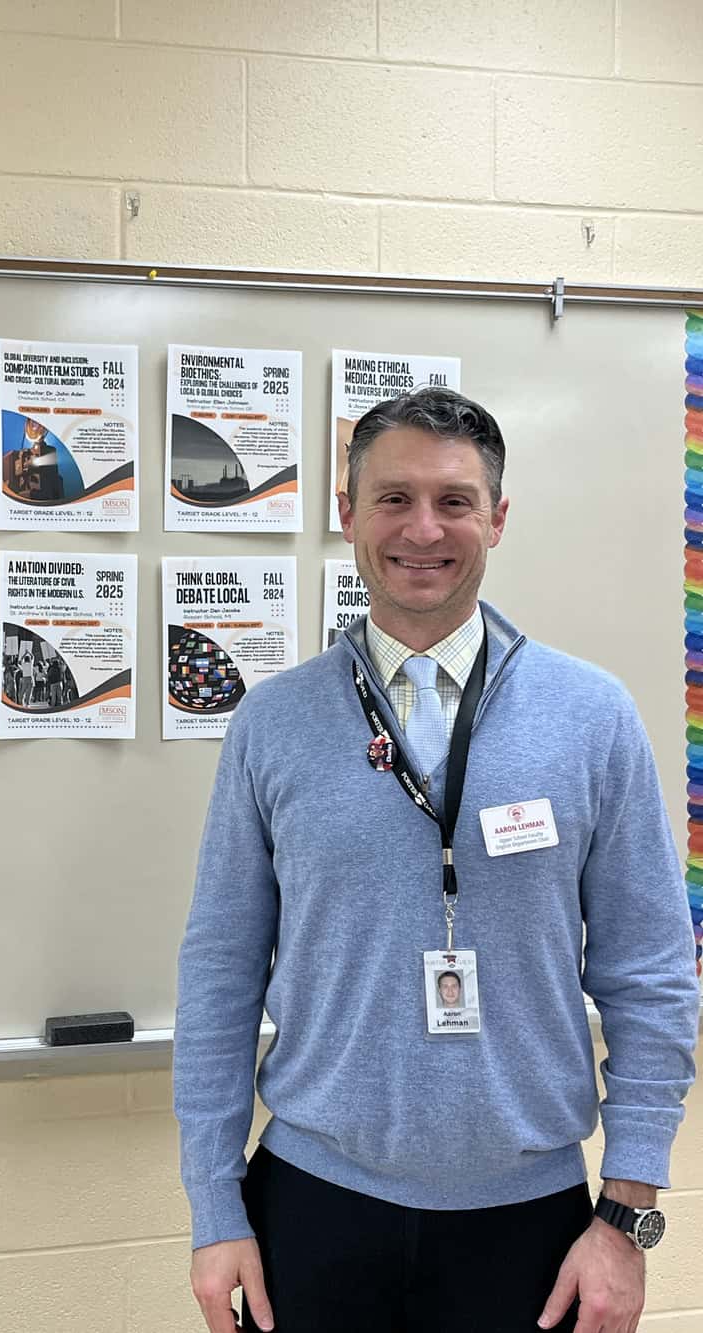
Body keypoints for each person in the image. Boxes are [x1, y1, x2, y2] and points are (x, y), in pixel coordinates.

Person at [174, 388, 699, 1333]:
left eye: (455, 501)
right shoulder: (274, 723)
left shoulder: (591, 717)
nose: (424, 529)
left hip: (532, 1229)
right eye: (393, 498)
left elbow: (653, 975)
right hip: (311, 1206)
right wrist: (216, 1210)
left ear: (497, 518)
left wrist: (624, 1216)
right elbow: (219, 974)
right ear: (347, 513)